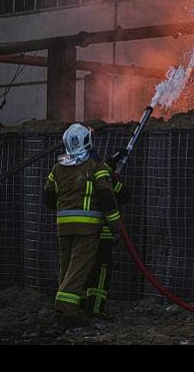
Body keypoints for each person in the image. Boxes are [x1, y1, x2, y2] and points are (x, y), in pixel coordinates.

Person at [44, 123, 123, 328]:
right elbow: (107, 198)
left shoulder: (57, 167)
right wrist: (116, 227)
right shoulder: (95, 167)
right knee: (79, 269)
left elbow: (48, 196)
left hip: (64, 228)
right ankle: (65, 309)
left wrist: (65, 207)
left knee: (67, 268)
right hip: (87, 230)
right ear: (87, 141)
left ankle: (66, 309)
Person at [83, 149, 129, 320]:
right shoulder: (103, 177)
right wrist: (117, 228)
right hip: (102, 234)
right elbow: (121, 196)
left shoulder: (75, 174)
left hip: (82, 234)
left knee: (82, 270)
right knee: (101, 272)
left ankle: (80, 307)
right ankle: (95, 310)